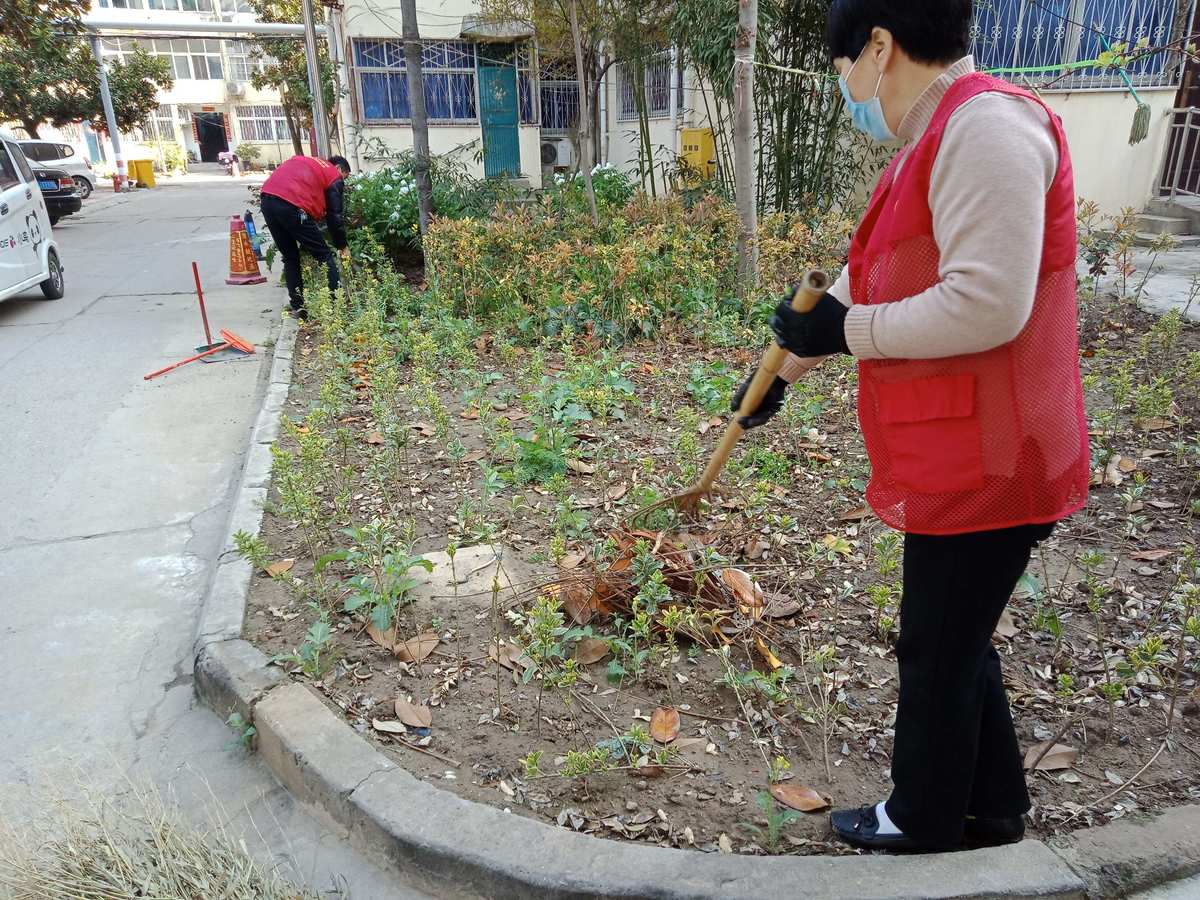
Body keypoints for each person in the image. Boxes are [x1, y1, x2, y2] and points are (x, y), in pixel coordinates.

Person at [732, 0, 1090, 853]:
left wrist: (841, 336)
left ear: (880, 47)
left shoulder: (987, 133)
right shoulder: (927, 146)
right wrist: (774, 379)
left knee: (936, 644)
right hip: (962, 446)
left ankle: (923, 817)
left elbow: (987, 305)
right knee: (959, 637)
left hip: (999, 453)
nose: (845, 89)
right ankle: (994, 806)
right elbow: (855, 288)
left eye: (841, 69)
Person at [260, 154, 351, 318]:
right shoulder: (333, 174)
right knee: (324, 254)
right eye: (344, 177)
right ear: (339, 169)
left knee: (290, 257)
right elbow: (334, 216)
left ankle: (298, 309)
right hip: (291, 205)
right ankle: (338, 307)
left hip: (267, 200)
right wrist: (342, 246)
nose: (342, 182)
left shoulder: (310, 162)